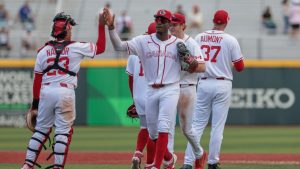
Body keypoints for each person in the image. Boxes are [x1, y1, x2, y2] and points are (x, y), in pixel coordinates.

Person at [103, 8, 205, 169]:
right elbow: (119, 46)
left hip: (171, 89)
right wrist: (110, 28)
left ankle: (157, 166)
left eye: (162, 20)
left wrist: (190, 60)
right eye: (157, 19)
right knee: (152, 133)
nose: (158, 22)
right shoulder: (143, 41)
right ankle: (168, 158)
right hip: (151, 90)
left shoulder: (179, 44)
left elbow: (194, 66)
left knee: (165, 127)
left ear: (169, 23)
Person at [21, 11, 106, 169]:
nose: (72, 31)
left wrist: (34, 105)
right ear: (66, 30)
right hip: (65, 92)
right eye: (70, 28)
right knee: (62, 133)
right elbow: (101, 47)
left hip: (46, 92)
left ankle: (27, 165)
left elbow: (37, 80)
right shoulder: (77, 47)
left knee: (40, 131)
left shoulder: (43, 51)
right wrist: (101, 25)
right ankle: (58, 167)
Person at [182, 10, 244, 169]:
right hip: (222, 83)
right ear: (227, 22)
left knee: (196, 125)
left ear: (213, 20)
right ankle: (212, 162)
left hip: (203, 82)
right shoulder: (230, 40)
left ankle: (188, 162)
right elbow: (240, 67)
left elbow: (192, 62)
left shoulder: (199, 37)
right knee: (217, 126)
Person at [168, 13, 206, 169]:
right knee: (167, 128)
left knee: (186, 129)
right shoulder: (167, 43)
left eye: (175, 24)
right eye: (171, 24)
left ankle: (199, 152)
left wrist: (191, 62)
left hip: (187, 89)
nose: (172, 27)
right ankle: (168, 162)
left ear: (183, 26)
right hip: (170, 88)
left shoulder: (191, 43)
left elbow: (203, 67)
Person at [127, 22, 156, 169]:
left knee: (144, 127)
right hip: (153, 95)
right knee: (155, 133)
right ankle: (151, 164)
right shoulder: (158, 51)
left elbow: (130, 79)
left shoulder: (134, 50)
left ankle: (137, 154)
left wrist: (134, 98)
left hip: (138, 96)